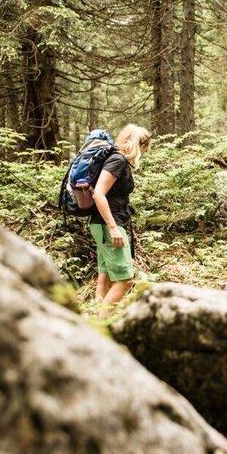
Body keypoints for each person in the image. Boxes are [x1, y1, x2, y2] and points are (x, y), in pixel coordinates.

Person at [90, 124, 151, 317]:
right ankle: (101, 328)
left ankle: (97, 319)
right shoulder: (118, 161)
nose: (147, 150)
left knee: (105, 278)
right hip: (109, 225)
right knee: (125, 281)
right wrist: (114, 228)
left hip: (102, 224)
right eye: (145, 145)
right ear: (137, 144)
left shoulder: (115, 159)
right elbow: (99, 194)